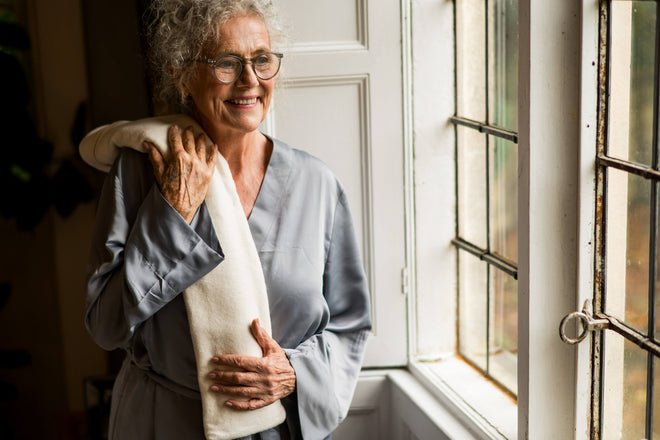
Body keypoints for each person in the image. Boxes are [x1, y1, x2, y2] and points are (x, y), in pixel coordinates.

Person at [82, 0, 372, 439]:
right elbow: (104, 324)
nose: (250, 80)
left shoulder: (317, 184)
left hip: (280, 426)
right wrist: (172, 215)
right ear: (182, 72)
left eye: (262, 60)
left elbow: (349, 326)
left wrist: (293, 374)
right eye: (226, 63)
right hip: (165, 423)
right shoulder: (143, 169)